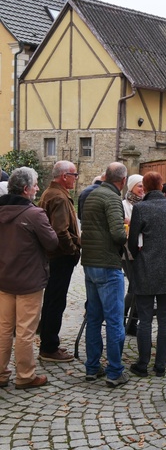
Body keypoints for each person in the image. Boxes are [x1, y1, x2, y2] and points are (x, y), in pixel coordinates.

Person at [0, 167, 58, 389]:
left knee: (4, 329)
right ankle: (25, 376)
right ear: (26, 189)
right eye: (35, 185)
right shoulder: (34, 214)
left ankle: (1, 373)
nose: (37, 188)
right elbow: (52, 243)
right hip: (28, 280)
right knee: (25, 331)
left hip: (4, 278)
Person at [81, 162, 129, 387]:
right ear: (122, 181)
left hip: (90, 262)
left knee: (93, 318)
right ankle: (115, 371)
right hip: (108, 264)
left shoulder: (92, 194)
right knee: (114, 320)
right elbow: (118, 234)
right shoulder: (112, 198)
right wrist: (129, 232)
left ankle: (92, 368)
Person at [127, 172, 166, 378]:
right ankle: (160, 366)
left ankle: (142, 363)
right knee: (165, 318)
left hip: (146, 267)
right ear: (161, 186)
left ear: (145, 188)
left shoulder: (140, 208)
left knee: (145, 319)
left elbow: (132, 241)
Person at [38, 160, 81, 362]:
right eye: (74, 175)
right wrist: (72, 251)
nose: (76, 178)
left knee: (52, 300)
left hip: (54, 256)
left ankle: (48, 341)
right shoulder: (58, 197)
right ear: (64, 176)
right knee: (56, 301)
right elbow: (60, 231)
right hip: (60, 257)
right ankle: (49, 346)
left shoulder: (51, 193)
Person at [122, 174, 144, 335]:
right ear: (131, 187)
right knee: (135, 287)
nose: (142, 189)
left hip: (143, 252)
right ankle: (123, 318)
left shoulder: (145, 204)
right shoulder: (123, 205)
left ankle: (132, 323)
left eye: (144, 186)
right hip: (128, 252)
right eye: (139, 186)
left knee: (138, 287)